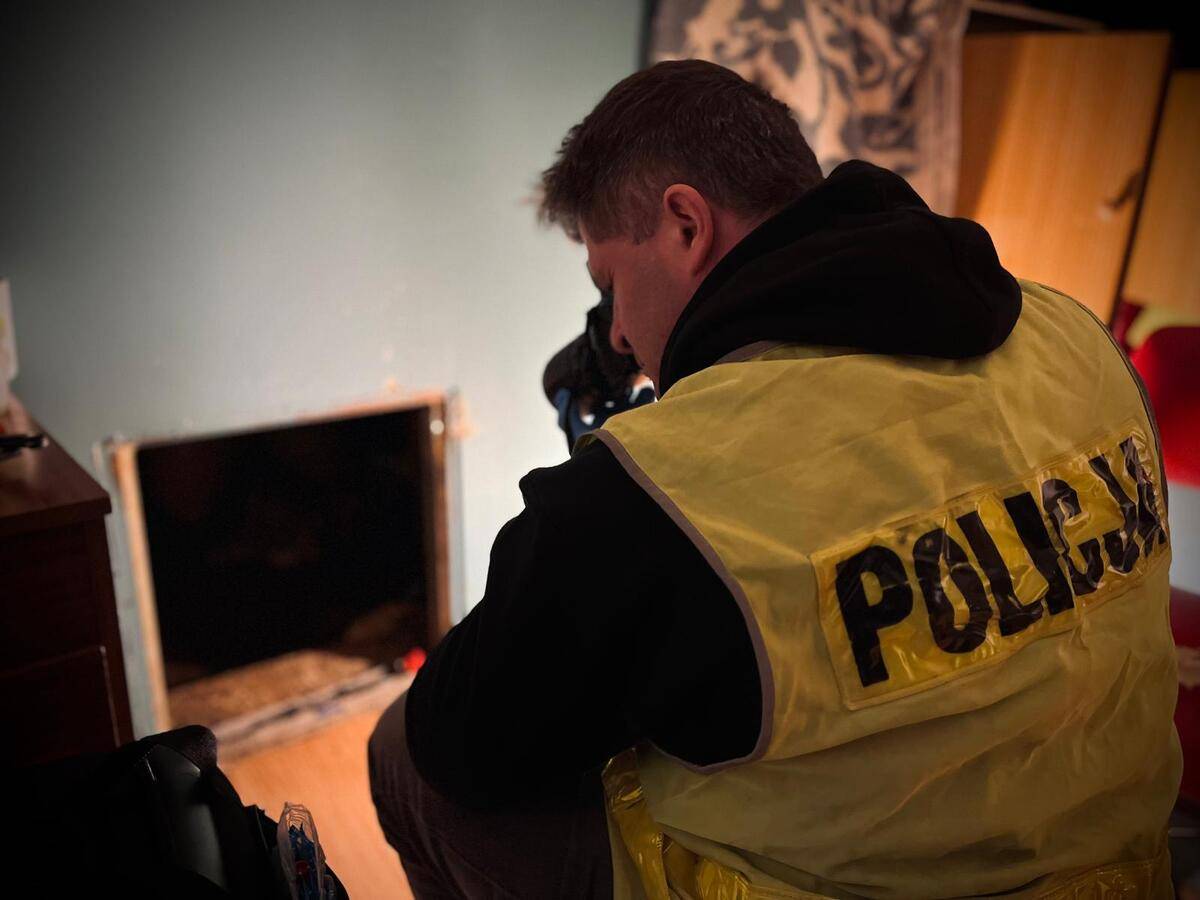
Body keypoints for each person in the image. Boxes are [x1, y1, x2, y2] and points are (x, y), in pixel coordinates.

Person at [369, 59, 1181, 899]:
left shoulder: (659, 487)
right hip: (1124, 873)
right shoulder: (1074, 334)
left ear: (686, 225)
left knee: (399, 753)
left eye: (610, 285)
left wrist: (593, 513)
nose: (615, 335)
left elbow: (458, 742)